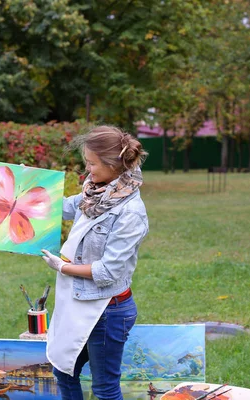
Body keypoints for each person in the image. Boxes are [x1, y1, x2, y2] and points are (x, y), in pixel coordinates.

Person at [41, 125, 149, 400]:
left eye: (91, 163)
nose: (87, 170)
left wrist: (62, 267)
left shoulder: (130, 213)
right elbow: (66, 207)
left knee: (104, 389)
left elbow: (107, 271)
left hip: (108, 311)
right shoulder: (96, 192)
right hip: (80, 302)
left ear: (114, 165)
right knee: (63, 372)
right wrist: (31, 186)